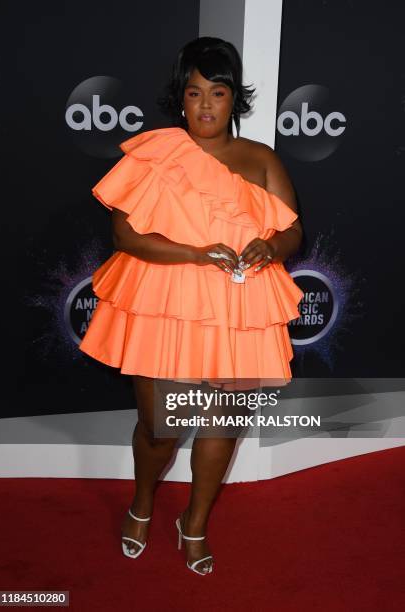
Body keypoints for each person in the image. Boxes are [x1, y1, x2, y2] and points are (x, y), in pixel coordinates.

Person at [79, 37, 304, 575]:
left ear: (234, 100)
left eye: (218, 93)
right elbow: (124, 235)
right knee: (159, 427)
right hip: (166, 303)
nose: (205, 105)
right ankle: (142, 502)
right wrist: (196, 254)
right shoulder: (156, 152)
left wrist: (271, 246)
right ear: (180, 98)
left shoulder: (260, 159)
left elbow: (292, 229)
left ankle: (195, 524)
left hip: (238, 309)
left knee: (221, 426)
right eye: (194, 92)